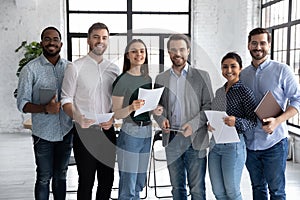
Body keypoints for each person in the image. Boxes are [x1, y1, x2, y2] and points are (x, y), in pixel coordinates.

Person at [61, 22, 119, 200]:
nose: (100, 41)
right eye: (96, 37)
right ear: (88, 40)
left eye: (104, 38)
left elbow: (118, 102)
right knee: (86, 181)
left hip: (108, 131)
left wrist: (114, 118)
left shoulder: (114, 69)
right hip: (85, 132)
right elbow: (66, 99)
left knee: (107, 180)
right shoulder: (75, 67)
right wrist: (77, 116)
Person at [240, 27, 300, 200]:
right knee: (257, 188)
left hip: (274, 143)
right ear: (248, 45)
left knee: (277, 191)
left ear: (269, 45)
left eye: (262, 43)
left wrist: (278, 120)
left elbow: (297, 100)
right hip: (250, 144)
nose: (258, 47)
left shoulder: (282, 70)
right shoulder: (243, 75)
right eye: (254, 43)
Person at [16, 26, 74, 200]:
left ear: (61, 43)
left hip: (66, 130)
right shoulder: (30, 70)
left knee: (61, 175)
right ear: (41, 43)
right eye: (47, 39)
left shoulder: (70, 68)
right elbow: (22, 104)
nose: (51, 42)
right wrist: (44, 109)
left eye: (55, 39)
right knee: (43, 177)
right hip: (43, 134)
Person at [153, 34, 213, 199]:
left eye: (181, 49)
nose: (177, 53)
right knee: (177, 188)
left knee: (197, 189)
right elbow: (158, 107)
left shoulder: (202, 76)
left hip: (196, 139)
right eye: (173, 50)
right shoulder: (161, 78)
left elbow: (208, 106)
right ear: (168, 52)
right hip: (172, 139)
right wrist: (161, 119)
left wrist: (193, 125)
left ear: (188, 51)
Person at [207, 52, 257, 200]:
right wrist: (211, 124)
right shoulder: (219, 91)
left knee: (232, 192)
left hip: (233, 146)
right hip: (215, 144)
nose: (229, 70)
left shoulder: (245, 92)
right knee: (218, 191)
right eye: (225, 67)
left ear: (240, 68)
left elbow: (253, 121)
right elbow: (216, 114)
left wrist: (237, 122)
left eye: (233, 66)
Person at [112, 39, 152, 200]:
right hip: (130, 132)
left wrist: (156, 109)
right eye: (134, 51)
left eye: (142, 51)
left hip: (147, 130)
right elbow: (116, 114)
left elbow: (147, 107)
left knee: (139, 182)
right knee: (128, 183)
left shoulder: (147, 78)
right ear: (127, 55)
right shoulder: (122, 80)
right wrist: (130, 108)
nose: (139, 54)